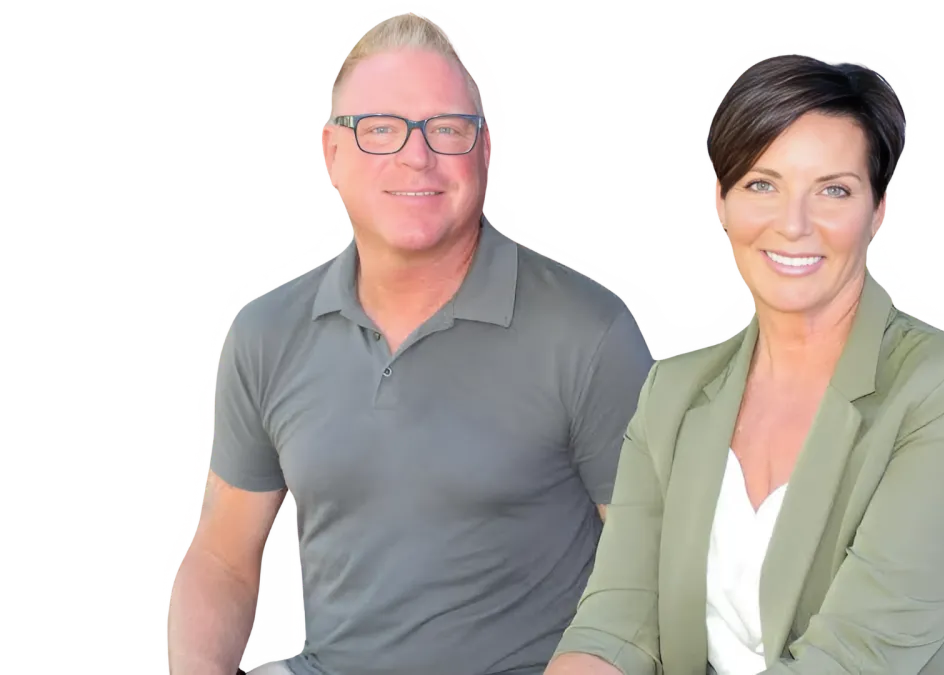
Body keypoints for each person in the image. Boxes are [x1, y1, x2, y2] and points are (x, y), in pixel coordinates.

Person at [165, 11, 654, 675]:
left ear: (486, 151)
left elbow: (651, 579)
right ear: (331, 153)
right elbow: (224, 557)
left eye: (446, 129)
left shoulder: (588, 333)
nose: (416, 155)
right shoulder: (265, 332)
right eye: (380, 129)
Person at [547, 52, 944, 675]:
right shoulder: (673, 391)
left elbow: (854, 659)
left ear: (879, 212)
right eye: (761, 185)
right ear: (721, 205)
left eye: (833, 190)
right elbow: (616, 626)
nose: (793, 224)